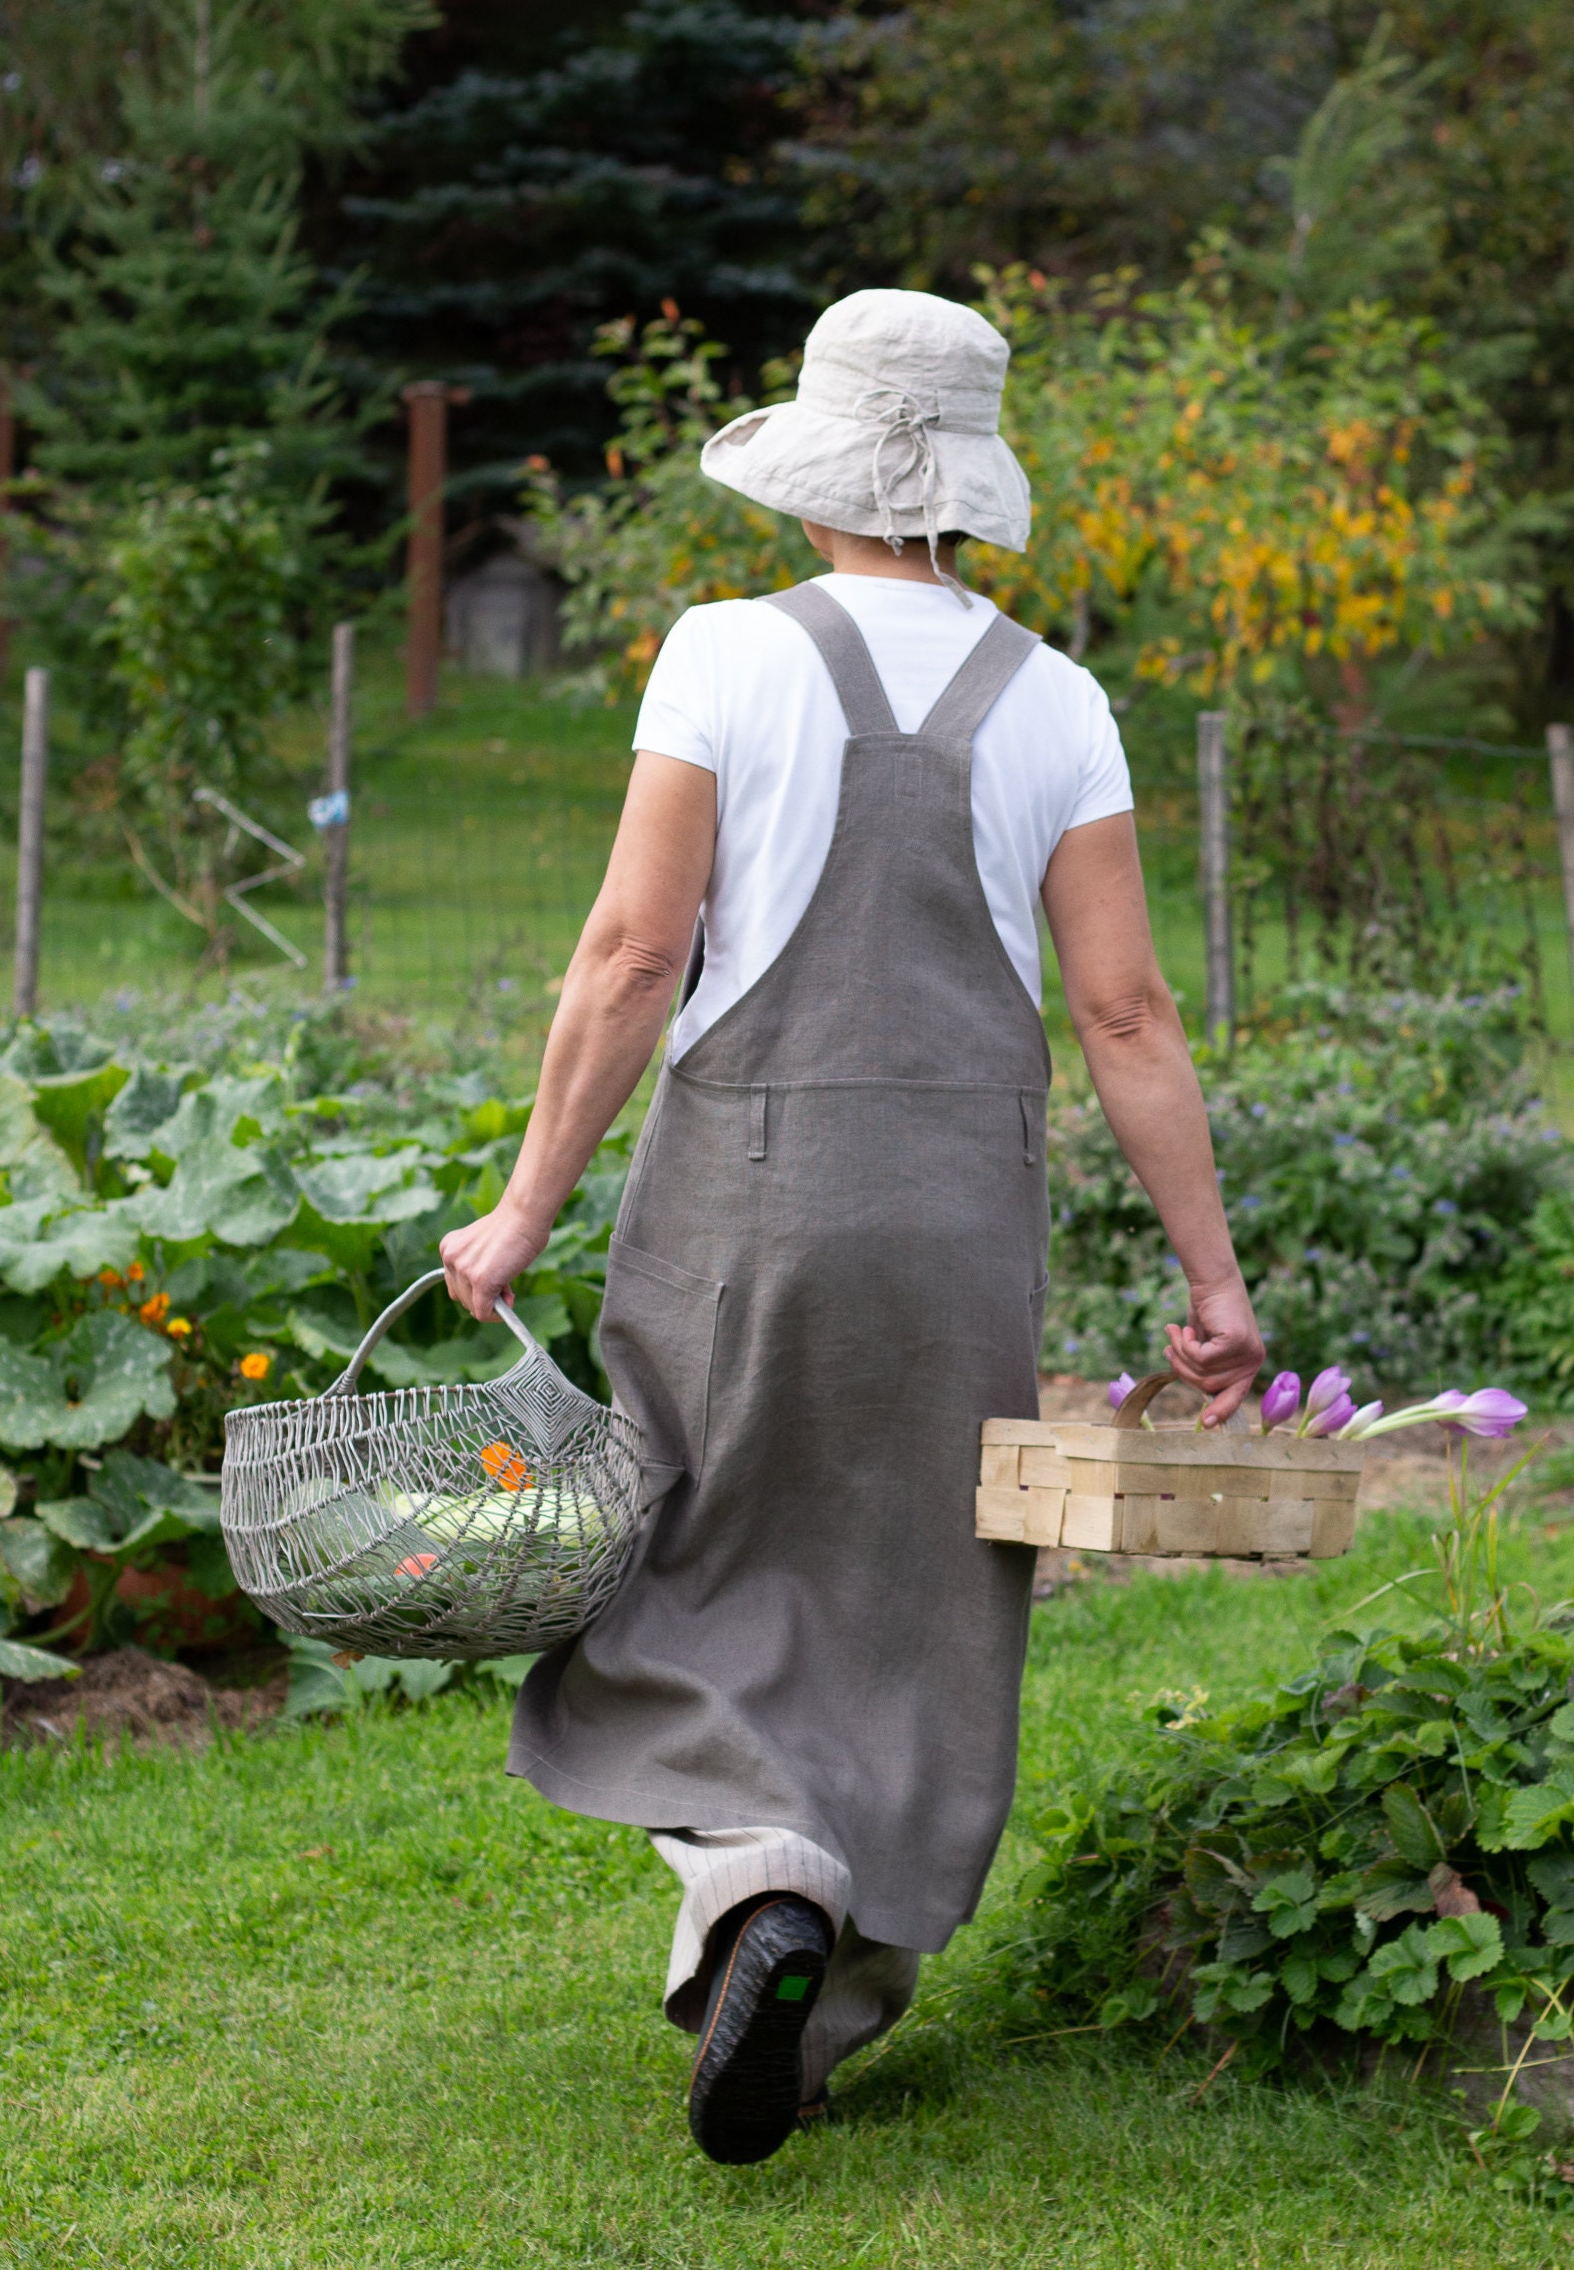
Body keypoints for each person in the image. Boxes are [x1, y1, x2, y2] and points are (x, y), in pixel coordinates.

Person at [440, 287, 1263, 2166]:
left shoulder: (724, 658)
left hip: (747, 1187)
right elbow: (1127, 1015)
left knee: (657, 1545)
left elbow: (636, 953)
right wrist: (1214, 1286)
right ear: (966, 490)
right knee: (915, 1591)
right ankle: (816, 2009)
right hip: (963, 1205)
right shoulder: (1059, 701)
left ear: (817, 474)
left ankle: (756, 1873)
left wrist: (523, 1204)